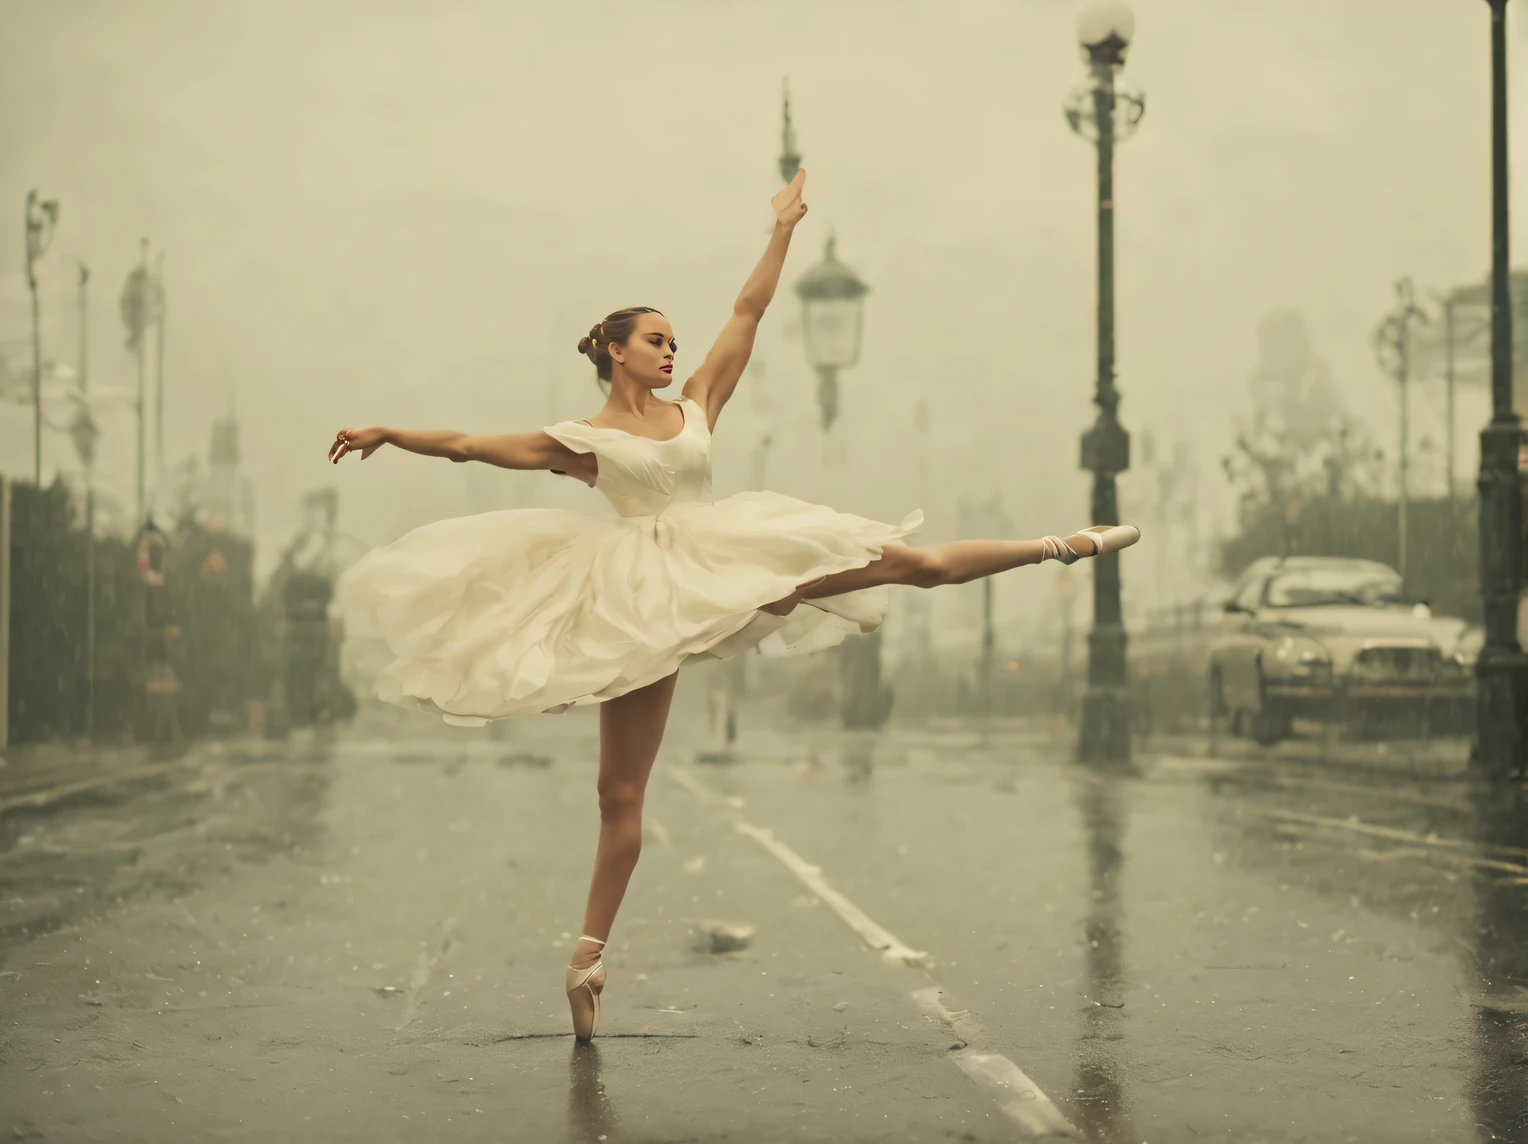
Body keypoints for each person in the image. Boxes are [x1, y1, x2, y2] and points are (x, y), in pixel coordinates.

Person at [325, 169, 1139, 1040]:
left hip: (731, 558)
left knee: (908, 563)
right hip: (636, 600)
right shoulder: (584, 443)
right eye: (656, 341)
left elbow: (747, 313)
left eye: (676, 341)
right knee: (619, 796)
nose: (672, 353)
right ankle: (586, 960)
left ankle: (1063, 544)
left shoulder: (698, 403)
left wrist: (781, 229)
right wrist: (389, 432)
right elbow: (468, 446)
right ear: (615, 352)